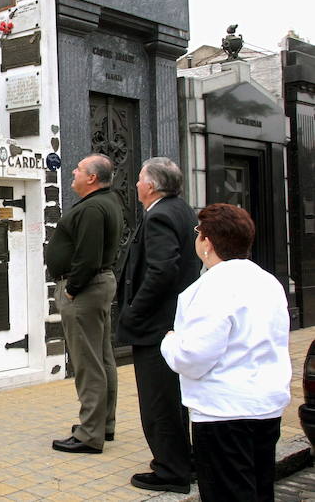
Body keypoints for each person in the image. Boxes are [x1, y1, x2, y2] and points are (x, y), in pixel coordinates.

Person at [160, 204, 291, 501]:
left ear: (207, 242)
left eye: (198, 233)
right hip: (266, 405)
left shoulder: (211, 288)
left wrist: (169, 342)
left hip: (224, 411)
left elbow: (193, 358)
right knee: (259, 489)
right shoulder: (268, 282)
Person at [116, 157, 199, 494]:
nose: (135, 184)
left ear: (150, 185)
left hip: (157, 325)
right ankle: (185, 461)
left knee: (158, 402)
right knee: (173, 399)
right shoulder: (181, 209)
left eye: (138, 179)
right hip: (171, 322)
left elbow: (162, 270)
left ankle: (170, 470)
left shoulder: (161, 215)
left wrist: (134, 311)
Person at [46, 154, 124, 453]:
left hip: (85, 290)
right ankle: (103, 424)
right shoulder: (107, 202)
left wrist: (72, 288)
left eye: (78, 170)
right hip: (96, 286)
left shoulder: (93, 207)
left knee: (87, 363)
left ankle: (90, 434)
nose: (73, 173)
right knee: (102, 357)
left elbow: (88, 255)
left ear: (92, 178)